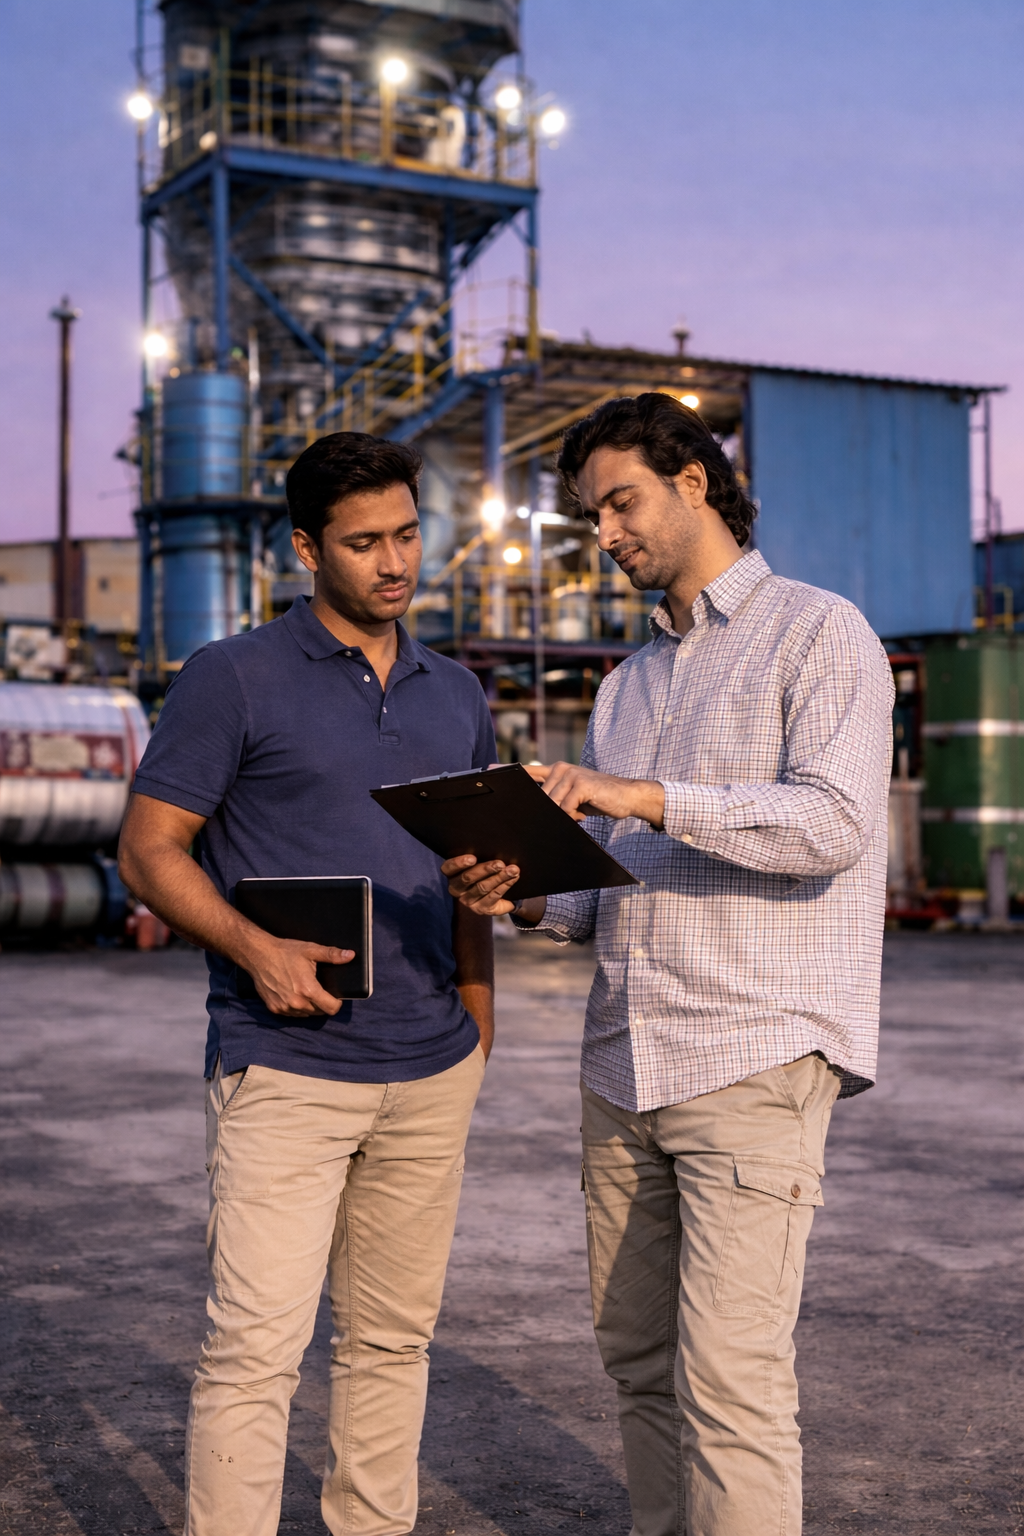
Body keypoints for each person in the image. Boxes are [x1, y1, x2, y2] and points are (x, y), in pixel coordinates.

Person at [443, 393, 894, 1536]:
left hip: (752, 1054)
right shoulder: (625, 685)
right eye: (594, 514)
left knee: (731, 1381)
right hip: (622, 1067)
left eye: (621, 502)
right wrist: (531, 889)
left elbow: (832, 826)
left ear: (694, 482)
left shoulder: (818, 631)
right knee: (638, 1364)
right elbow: (606, 896)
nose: (605, 534)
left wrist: (639, 795)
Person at [119, 432, 496, 1536]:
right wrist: (254, 947)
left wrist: (479, 1019)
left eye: (408, 534)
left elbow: (469, 867)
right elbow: (149, 850)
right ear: (302, 548)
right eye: (364, 542)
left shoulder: (454, 691)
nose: (395, 562)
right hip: (285, 1065)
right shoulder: (232, 676)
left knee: (390, 1344)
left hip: (430, 1070)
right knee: (253, 1351)